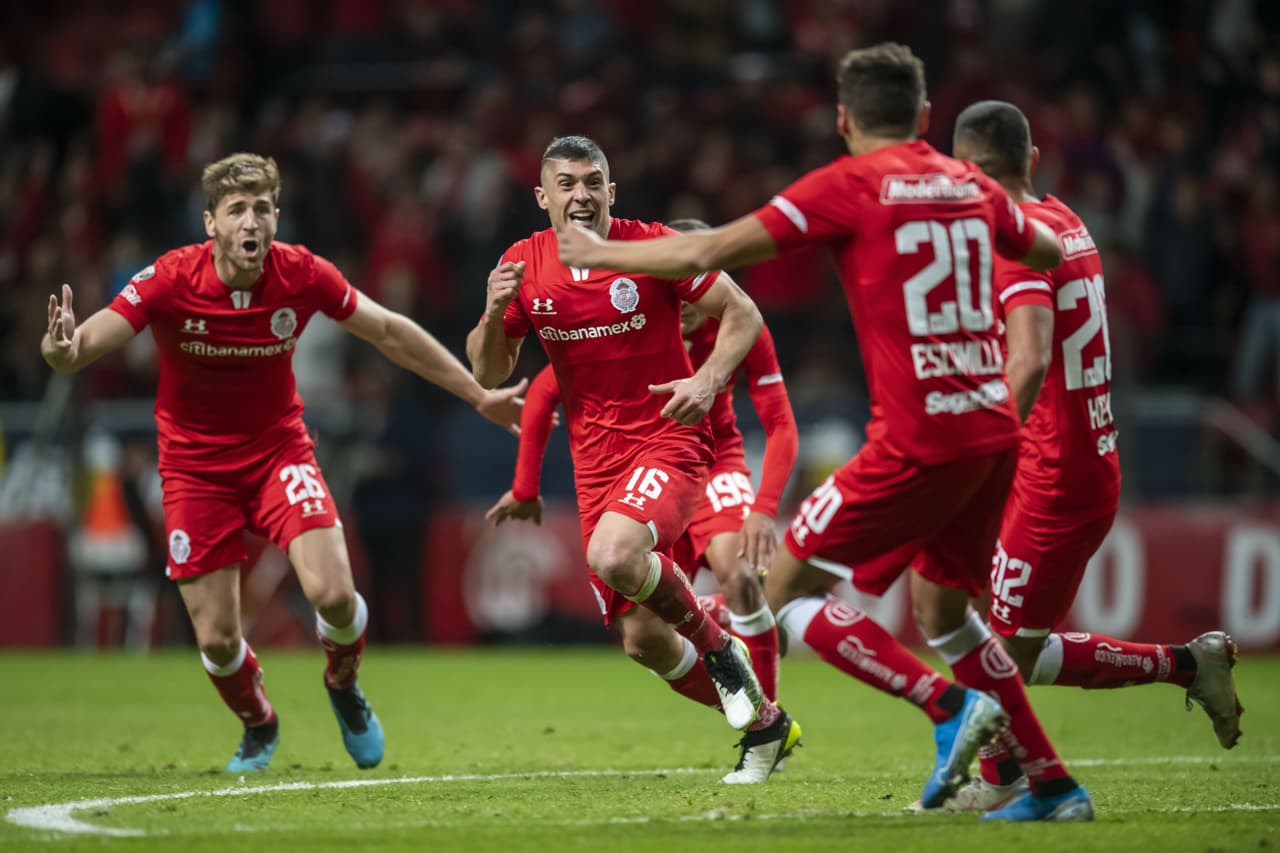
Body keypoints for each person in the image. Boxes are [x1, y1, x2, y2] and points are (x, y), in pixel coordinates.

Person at [558, 43, 1094, 822]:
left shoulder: (848, 184)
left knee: (778, 592)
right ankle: (1053, 785)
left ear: (843, 120)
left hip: (917, 441)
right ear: (923, 117)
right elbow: (1041, 247)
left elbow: (710, 248)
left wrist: (600, 252)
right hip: (995, 431)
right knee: (946, 613)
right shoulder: (969, 182)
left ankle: (948, 710)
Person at [40, 152, 526, 773]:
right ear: (211, 222)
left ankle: (344, 685)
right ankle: (259, 723)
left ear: (276, 217)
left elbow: (389, 331)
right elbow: (90, 342)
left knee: (335, 596)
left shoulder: (301, 273)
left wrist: (478, 393)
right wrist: (64, 350)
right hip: (195, 472)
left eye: (263, 208)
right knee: (216, 639)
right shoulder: (168, 278)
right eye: (237, 209)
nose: (253, 221)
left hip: (278, 454)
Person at [941, 100, 1244, 810]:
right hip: (1072, 459)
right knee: (1003, 637)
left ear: (961, 174)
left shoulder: (1014, 241)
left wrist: (976, 458)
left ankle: (1004, 784)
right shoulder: (1066, 220)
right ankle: (1185, 665)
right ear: (1033, 161)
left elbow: (1030, 362)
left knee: (1000, 654)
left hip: (1055, 475)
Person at [466, 136, 794, 773]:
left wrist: (707, 380)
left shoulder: (653, 246)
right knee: (644, 641)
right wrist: (494, 310)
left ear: (612, 192)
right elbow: (491, 369)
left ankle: (722, 647)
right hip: (596, 468)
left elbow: (743, 312)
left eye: (592, 182)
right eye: (565, 183)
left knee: (614, 554)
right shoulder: (522, 264)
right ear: (543, 197)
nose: (580, 194)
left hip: (669, 441)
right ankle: (765, 722)